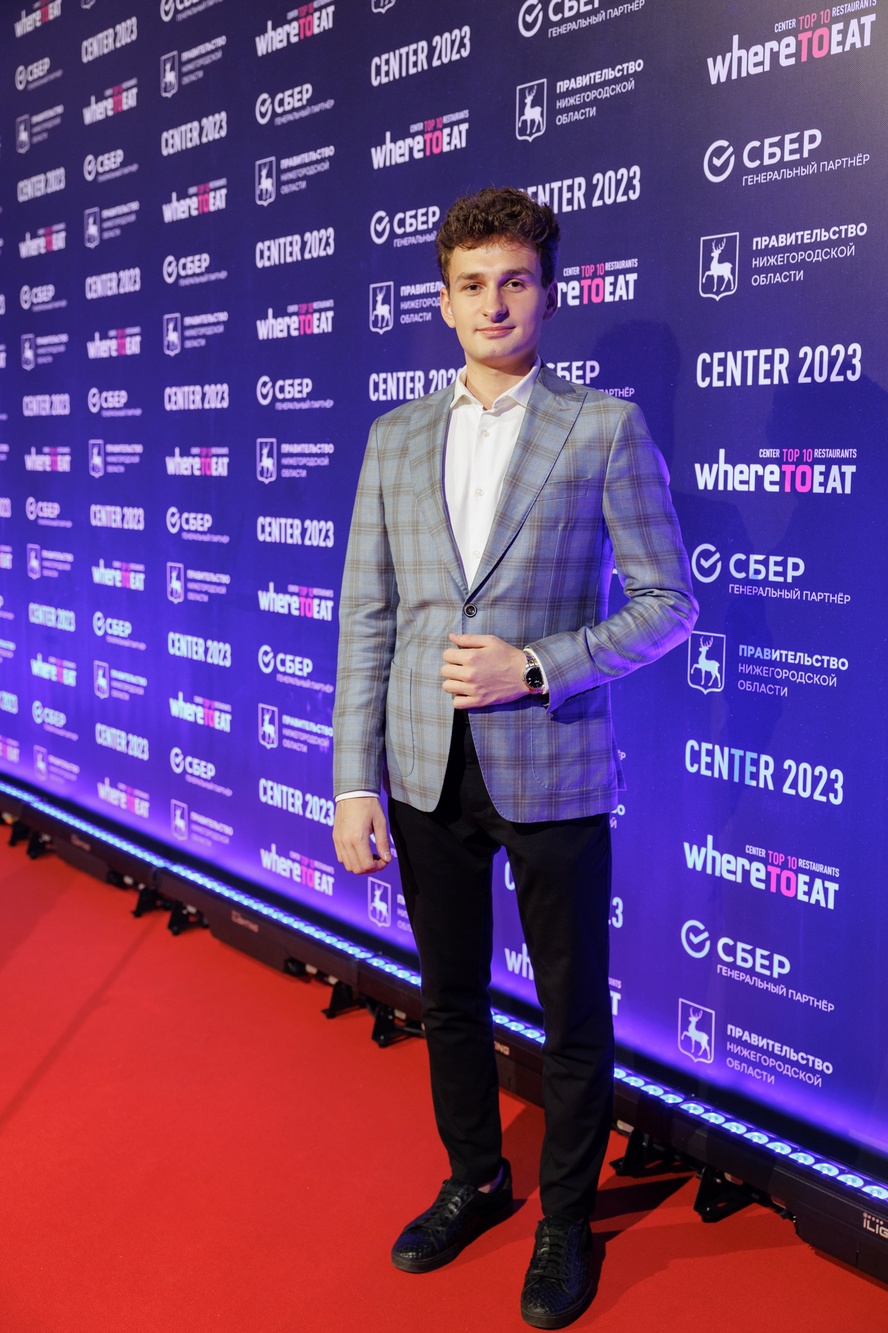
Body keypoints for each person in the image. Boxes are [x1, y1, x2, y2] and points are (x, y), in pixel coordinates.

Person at [332, 186, 697, 1329]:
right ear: (443, 302)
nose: (495, 303)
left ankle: (565, 1218)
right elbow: (366, 618)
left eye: (516, 281)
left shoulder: (602, 429)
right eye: (473, 284)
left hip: (554, 764)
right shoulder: (393, 438)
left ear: (549, 292)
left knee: (572, 1008)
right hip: (421, 766)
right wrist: (352, 779)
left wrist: (535, 666)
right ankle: (477, 1178)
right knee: (448, 998)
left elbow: (669, 604)